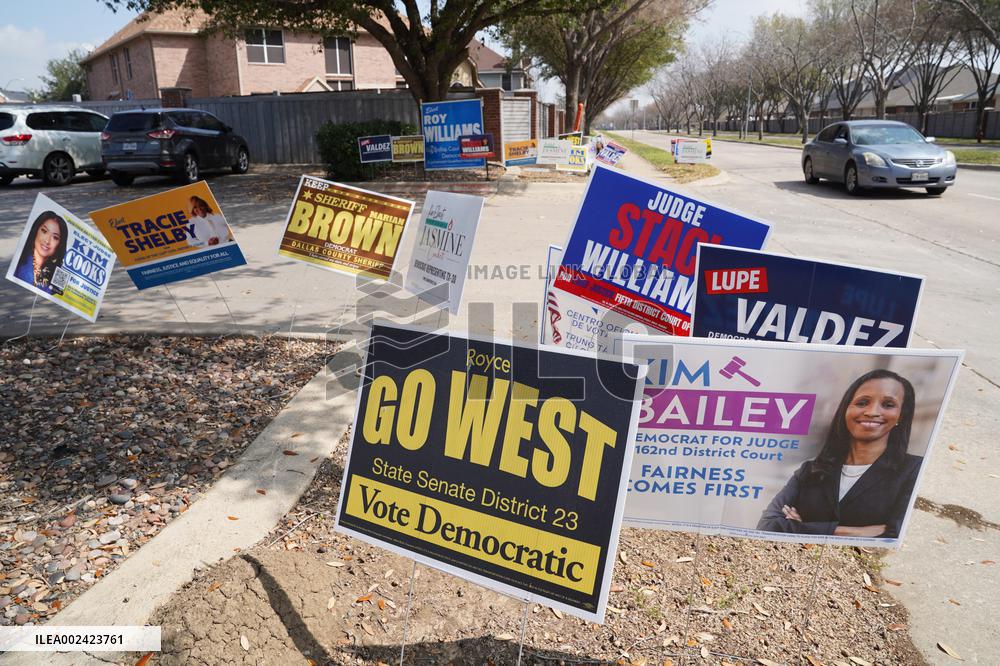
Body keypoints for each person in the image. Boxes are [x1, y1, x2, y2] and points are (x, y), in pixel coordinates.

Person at [756, 369, 920, 539]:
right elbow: (767, 524)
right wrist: (852, 532)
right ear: (846, 410)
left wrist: (801, 527)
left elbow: (894, 535)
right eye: (862, 402)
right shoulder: (810, 470)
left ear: (902, 415)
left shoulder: (913, 471)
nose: (872, 412)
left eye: (888, 405)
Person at [11, 211, 68, 295]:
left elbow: (59, 293)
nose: (47, 241)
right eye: (44, 231)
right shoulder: (18, 261)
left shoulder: (59, 274)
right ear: (36, 230)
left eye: (55, 237)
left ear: (60, 244)